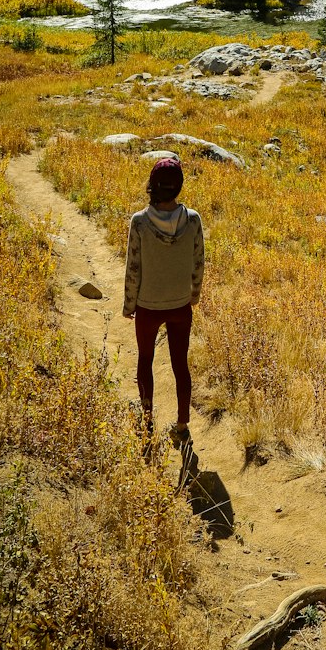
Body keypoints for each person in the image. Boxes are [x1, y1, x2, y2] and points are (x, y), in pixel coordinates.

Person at [122, 154, 204, 448]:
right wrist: (192, 296)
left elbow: (133, 267)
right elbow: (198, 262)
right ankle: (182, 425)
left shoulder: (140, 222)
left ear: (152, 187)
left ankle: (146, 421)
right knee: (180, 363)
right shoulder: (192, 220)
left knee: (146, 360)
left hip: (147, 306)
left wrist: (129, 305)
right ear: (179, 186)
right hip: (180, 305)